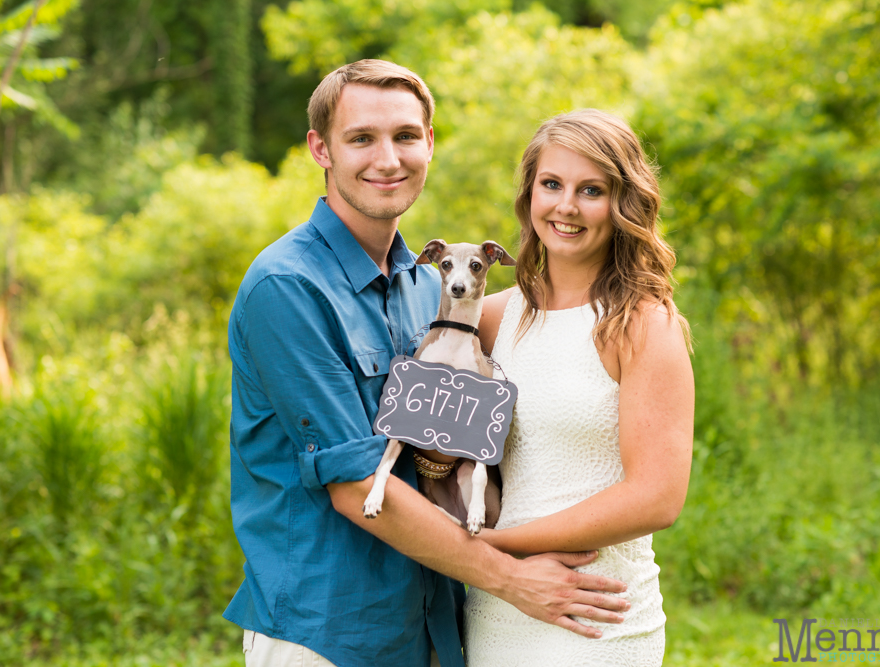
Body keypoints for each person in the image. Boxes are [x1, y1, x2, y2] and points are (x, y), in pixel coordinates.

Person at [223, 61, 631, 667]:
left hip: (433, 625)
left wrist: (634, 302)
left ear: (430, 143)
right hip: (327, 632)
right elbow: (358, 482)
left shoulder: (428, 289)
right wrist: (511, 577)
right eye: (361, 138)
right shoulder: (287, 287)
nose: (387, 159)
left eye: (406, 136)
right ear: (320, 149)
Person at [464, 109, 695, 666]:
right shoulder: (489, 319)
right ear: (529, 196)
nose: (566, 206)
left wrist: (492, 549)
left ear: (622, 206)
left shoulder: (641, 323)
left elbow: (656, 497)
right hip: (493, 606)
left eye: (590, 190)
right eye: (551, 184)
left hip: (595, 615)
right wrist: (486, 567)